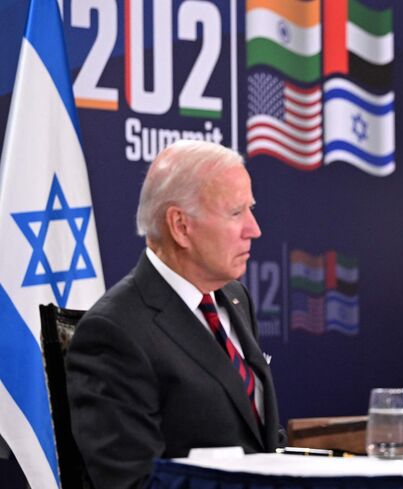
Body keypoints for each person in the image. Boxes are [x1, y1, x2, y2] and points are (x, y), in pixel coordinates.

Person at [67, 140, 282, 488]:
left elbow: (257, 440)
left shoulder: (234, 297)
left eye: (251, 209)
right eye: (236, 213)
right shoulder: (114, 332)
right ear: (180, 226)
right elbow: (132, 481)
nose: (254, 229)